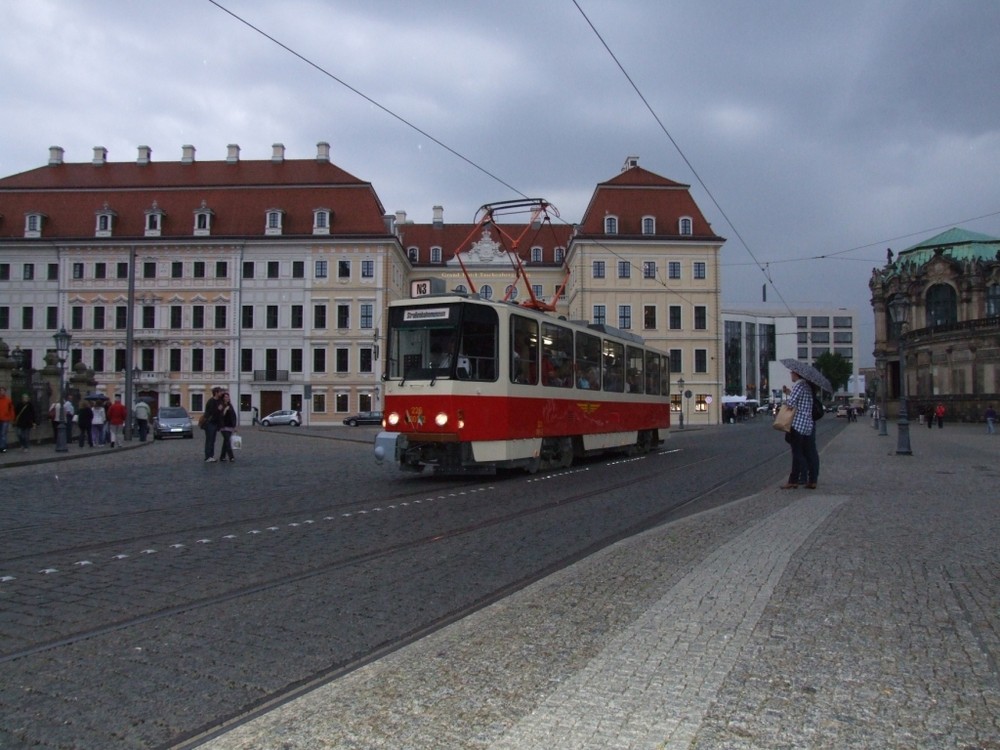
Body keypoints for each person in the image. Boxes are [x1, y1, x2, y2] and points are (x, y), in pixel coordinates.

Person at [780, 371, 818, 490]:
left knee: (797, 453)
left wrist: (786, 401)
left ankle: (795, 480)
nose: (790, 375)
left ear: (796, 374)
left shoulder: (798, 385)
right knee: (808, 452)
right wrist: (789, 393)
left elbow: (791, 403)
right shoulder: (807, 386)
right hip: (807, 425)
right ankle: (812, 480)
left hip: (797, 424)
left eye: (791, 373)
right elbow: (802, 402)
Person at [217, 391, 238, 462]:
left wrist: (234, 426)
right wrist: (225, 410)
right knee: (227, 441)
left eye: (228, 397)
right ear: (223, 398)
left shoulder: (230, 405)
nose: (227, 398)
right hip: (223, 426)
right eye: (226, 397)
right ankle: (231, 457)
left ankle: (222, 457)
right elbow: (219, 415)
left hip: (230, 426)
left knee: (225, 441)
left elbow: (233, 416)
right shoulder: (221, 405)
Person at [203, 386, 222, 462]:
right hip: (209, 423)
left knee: (212, 440)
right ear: (216, 393)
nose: (221, 393)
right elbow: (210, 413)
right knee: (209, 440)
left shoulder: (219, 401)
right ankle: (208, 456)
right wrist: (218, 409)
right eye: (220, 392)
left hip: (215, 423)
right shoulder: (211, 401)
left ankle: (211, 455)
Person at [0, 385, 15, 453]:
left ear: (5, 392)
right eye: (0, 391)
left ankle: (3, 447)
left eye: (3, 391)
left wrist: (12, 418)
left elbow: (11, 410)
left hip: (5, 419)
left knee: (3, 434)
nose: (1, 392)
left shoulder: (8, 400)